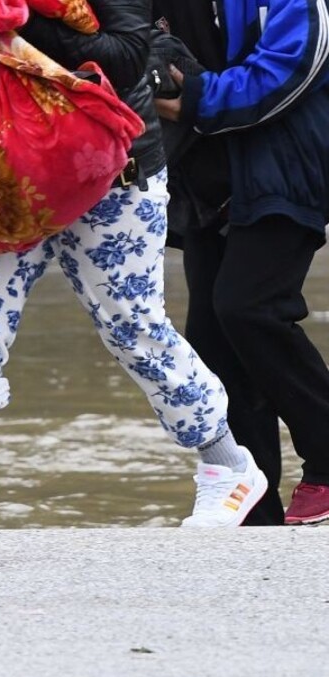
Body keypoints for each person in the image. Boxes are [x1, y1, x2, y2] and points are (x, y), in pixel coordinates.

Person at [0, 0, 270, 531]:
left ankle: (229, 468)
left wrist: (20, 15)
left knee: (133, 328)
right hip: (7, 168)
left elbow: (125, 57)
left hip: (113, 170)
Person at [153, 0, 329, 526]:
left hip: (285, 165)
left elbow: (292, 68)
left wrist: (195, 99)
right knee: (211, 338)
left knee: (249, 308)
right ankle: (255, 508)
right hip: (203, 179)